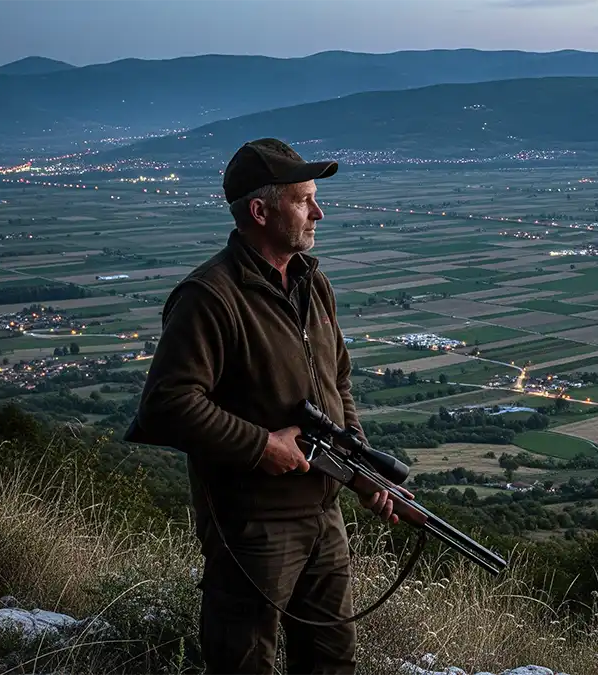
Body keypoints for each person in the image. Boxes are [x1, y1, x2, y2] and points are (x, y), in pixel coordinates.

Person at [125, 138, 413, 675]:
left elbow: (338, 381)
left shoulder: (312, 282)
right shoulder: (211, 296)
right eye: (304, 199)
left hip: (324, 513)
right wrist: (262, 446)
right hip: (251, 525)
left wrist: (363, 469)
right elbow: (165, 404)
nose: (318, 211)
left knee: (332, 661)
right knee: (244, 662)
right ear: (260, 211)